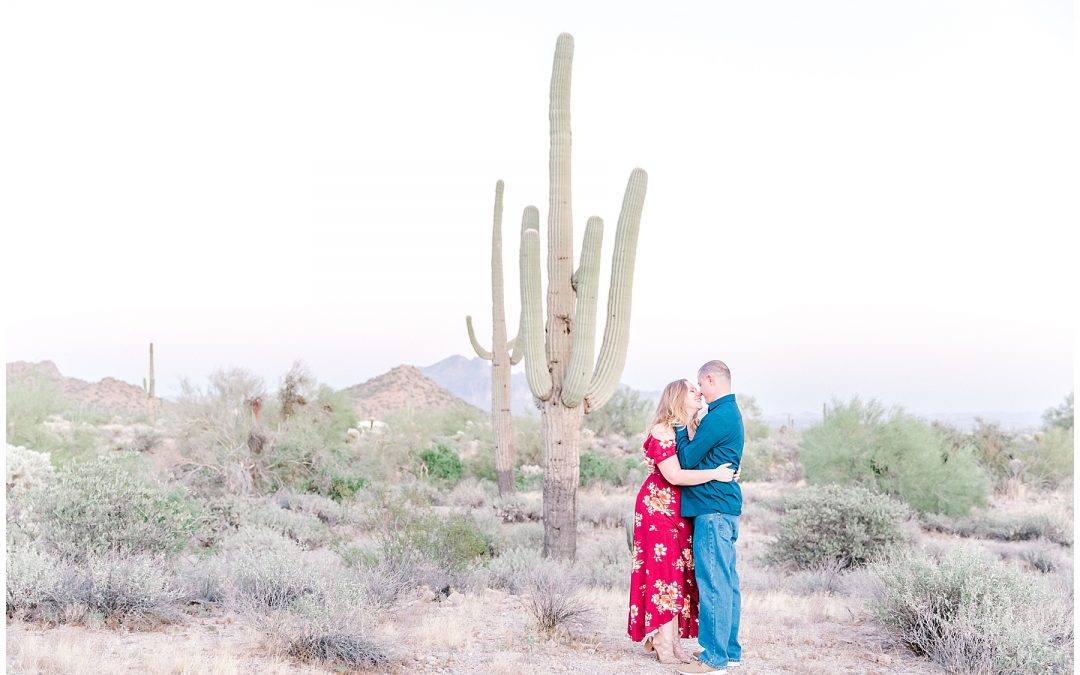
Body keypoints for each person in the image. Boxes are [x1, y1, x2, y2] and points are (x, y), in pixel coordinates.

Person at [627, 379, 739, 664]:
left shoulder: (691, 429)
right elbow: (674, 476)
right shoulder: (663, 429)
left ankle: (673, 642)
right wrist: (716, 474)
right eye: (692, 389)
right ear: (677, 397)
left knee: (678, 577)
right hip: (658, 509)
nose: (699, 392)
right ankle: (664, 644)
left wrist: (725, 472)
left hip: (680, 511)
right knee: (665, 575)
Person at [674, 360, 745, 675]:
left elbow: (686, 459)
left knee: (714, 582)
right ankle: (729, 652)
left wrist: (680, 428)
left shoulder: (718, 418)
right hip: (723, 509)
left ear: (711, 379)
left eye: (700, 385)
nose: (699, 392)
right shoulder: (729, 415)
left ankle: (714, 659)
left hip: (712, 511)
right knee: (726, 582)